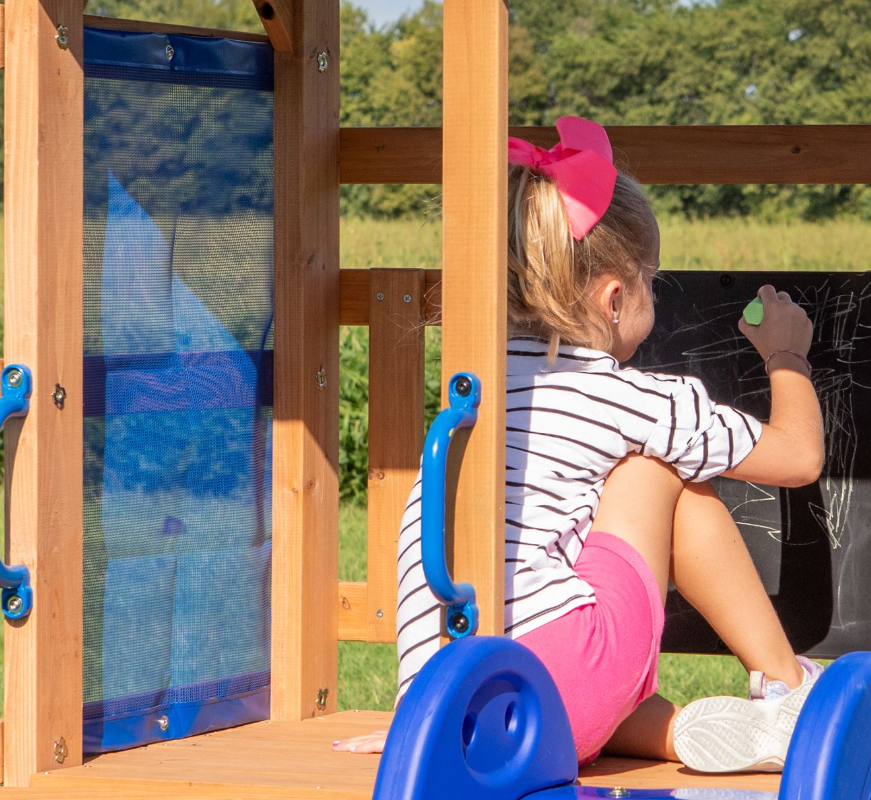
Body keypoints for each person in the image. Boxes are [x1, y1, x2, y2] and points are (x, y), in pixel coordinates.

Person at [334, 116, 825, 773]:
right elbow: (798, 457)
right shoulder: (626, 399)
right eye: (652, 278)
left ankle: (681, 734)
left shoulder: (475, 393)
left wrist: (417, 720)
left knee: (564, 631)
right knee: (655, 468)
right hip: (564, 674)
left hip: (465, 708)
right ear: (614, 299)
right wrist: (787, 353)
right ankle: (786, 688)